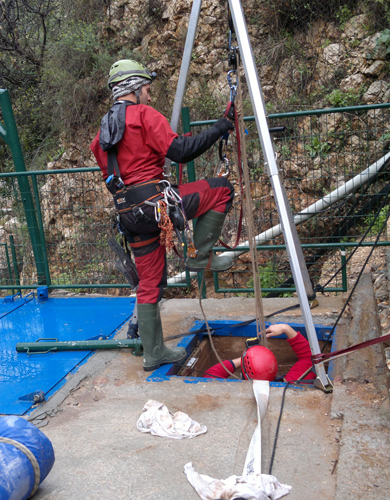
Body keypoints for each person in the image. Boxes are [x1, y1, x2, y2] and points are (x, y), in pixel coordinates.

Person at [90, 59, 235, 372]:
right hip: (157, 207)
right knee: (221, 189)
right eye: (147, 89)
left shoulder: (100, 138)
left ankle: (154, 352)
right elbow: (181, 150)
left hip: (129, 215)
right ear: (135, 89)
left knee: (149, 283)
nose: (150, 96)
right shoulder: (143, 116)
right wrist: (221, 127)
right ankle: (200, 257)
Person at [203, 323, 315, 382]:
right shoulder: (293, 381)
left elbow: (209, 375)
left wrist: (242, 360)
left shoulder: (235, 394)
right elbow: (309, 358)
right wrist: (286, 328)